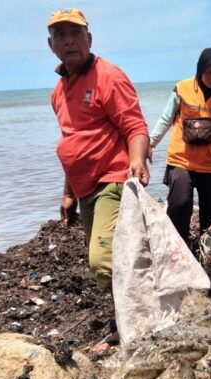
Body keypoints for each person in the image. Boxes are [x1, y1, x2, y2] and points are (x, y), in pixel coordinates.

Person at [47, 8, 150, 289]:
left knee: (102, 262)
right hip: (84, 190)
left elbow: (136, 127)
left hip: (113, 180)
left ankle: (132, 323)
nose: (69, 41)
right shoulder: (58, 92)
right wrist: (68, 194)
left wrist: (137, 161)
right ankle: (129, 319)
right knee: (113, 260)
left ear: (89, 39)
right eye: (61, 35)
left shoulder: (109, 76)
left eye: (76, 33)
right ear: (51, 45)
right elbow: (73, 142)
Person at [149, 48, 211, 245]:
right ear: (200, 69)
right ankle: (177, 246)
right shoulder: (182, 88)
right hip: (182, 160)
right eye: (209, 72)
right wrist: (150, 143)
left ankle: (206, 248)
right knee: (180, 202)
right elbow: (166, 118)